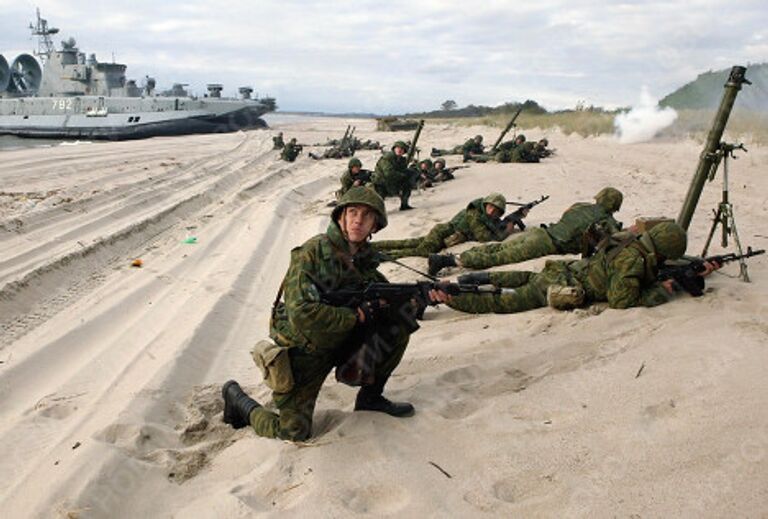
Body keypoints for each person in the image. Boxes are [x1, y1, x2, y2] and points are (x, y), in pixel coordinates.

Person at [221, 187, 450, 441]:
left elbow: (388, 299)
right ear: (341, 216)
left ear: (375, 225)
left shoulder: (365, 260)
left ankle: (370, 399)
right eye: (352, 212)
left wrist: (424, 299)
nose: (358, 220)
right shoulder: (313, 253)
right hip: (305, 348)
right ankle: (238, 400)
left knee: (397, 326)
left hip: (341, 340)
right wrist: (357, 316)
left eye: (367, 215)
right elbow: (302, 313)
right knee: (293, 432)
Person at [446, 222, 721, 314]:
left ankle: (470, 278)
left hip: (563, 270)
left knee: (521, 278)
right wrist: (665, 290)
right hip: (567, 286)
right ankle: (449, 297)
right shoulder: (634, 262)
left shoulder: (632, 241)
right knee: (506, 301)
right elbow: (621, 301)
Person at [429, 187, 624, 275]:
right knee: (500, 257)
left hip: (541, 233)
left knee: (495, 250)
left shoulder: (580, 205)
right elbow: (614, 242)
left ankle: (449, 258)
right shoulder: (607, 221)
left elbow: (566, 215)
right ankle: (450, 261)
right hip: (547, 243)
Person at [374, 193, 515, 259]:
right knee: (420, 251)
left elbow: (492, 225)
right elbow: (483, 237)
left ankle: (374, 246)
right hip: (443, 234)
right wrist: (506, 232)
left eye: (496, 210)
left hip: (444, 234)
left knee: (409, 243)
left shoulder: (484, 215)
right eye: (490, 207)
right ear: (485, 204)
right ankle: (382, 255)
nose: (491, 211)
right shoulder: (475, 214)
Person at [372, 141, 414, 210]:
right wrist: (402, 175)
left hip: (392, 181)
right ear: (394, 149)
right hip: (381, 182)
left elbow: (402, 170)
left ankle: (404, 204)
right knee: (379, 200)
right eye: (398, 148)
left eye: (402, 149)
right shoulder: (387, 158)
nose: (400, 150)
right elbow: (388, 173)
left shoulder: (401, 160)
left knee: (407, 184)